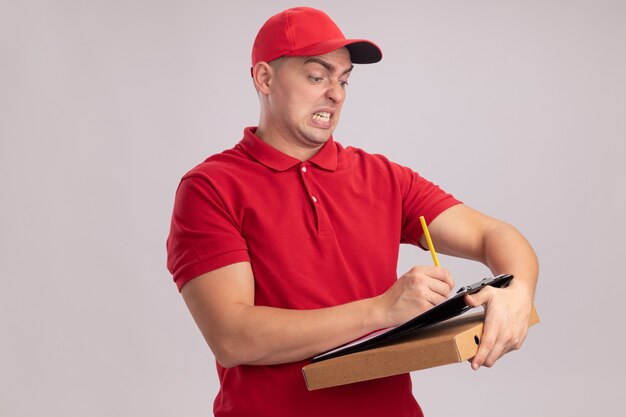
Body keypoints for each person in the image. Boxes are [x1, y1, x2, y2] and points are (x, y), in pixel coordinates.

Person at [166, 6, 538, 417]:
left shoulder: (383, 177)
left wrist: (517, 290)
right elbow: (232, 336)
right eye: (317, 76)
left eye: (343, 80)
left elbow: (495, 235)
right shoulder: (211, 187)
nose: (336, 93)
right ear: (264, 78)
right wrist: (381, 309)